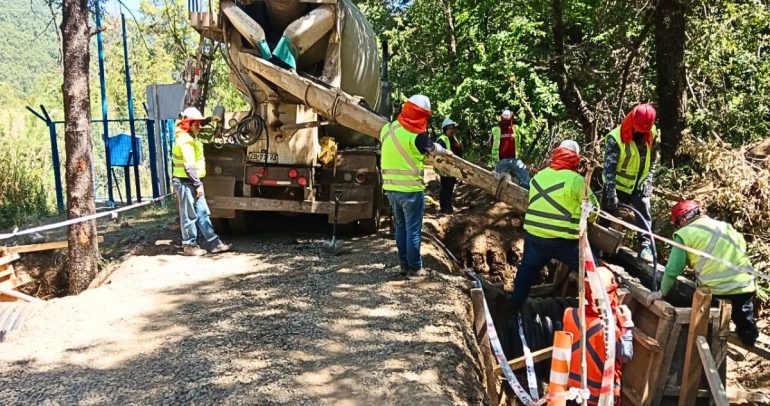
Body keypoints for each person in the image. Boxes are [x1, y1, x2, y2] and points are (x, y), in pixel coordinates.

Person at [508, 140, 599, 310]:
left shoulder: (537, 177)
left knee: (526, 271)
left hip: (534, 237)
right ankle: (597, 309)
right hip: (563, 242)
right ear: (575, 160)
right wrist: (588, 222)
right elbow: (594, 210)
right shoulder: (577, 181)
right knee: (592, 270)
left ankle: (513, 308)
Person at [660, 200, 759, 346]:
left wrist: (662, 292)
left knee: (709, 324)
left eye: (677, 223)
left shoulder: (685, 234)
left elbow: (673, 270)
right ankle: (749, 337)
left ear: (683, 220)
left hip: (716, 290)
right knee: (744, 317)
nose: (678, 226)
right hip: (744, 285)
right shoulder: (725, 226)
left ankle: (709, 340)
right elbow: (742, 246)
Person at [381, 95, 452, 278]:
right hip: (411, 191)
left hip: (391, 190)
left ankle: (404, 265)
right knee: (413, 231)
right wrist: (445, 151)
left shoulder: (387, 129)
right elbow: (434, 148)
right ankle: (415, 268)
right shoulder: (418, 137)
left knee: (401, 228)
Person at [563, 266, 634, 405]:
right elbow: (625, 355)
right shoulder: (612, 327)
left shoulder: (569, 315)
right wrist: (627, 325)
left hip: (572, 394)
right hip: (600, 398)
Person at [172, 107, 231, 256]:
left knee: (203, 212)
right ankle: (189, 246)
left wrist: (212, 119)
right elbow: (189, 166)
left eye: (200, 123)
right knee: (189, 215)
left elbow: (200, 123)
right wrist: (198, 185)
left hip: (192, 181)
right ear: (188, 124)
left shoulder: (191, 135)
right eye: (196, 124)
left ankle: (215, 243)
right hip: (186, 182)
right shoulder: (185, 141)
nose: (199, 126)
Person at [602, 103, 657, 262]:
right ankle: (597, 248)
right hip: (617, 184)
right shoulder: (616, 138)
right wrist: (611, 194)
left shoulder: (652, 133)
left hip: (639, 183)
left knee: (644, 210)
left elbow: (653, 159)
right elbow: (608, 170)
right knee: (606, 214)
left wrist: (648, 180)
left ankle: (645, 246)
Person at [490, 109, 530, 188]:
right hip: (503, 160)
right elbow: (492, 143)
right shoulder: (497, 130)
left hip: (511, 159)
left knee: (523, 172)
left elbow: (519, 140)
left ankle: (527, 190)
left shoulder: (515, 129)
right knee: (497, 177)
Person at [436, 118, 463, 215]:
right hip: (445, 169)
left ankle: (449, 206)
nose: (452, 130)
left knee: (450, 187)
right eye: (449, 128)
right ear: (445, 129)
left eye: (453, 128)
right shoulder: (442, 140)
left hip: (453, 169)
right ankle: (444, 208)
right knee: (445, 188)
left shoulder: (454, 139)